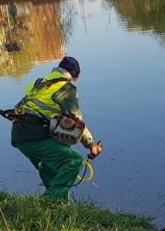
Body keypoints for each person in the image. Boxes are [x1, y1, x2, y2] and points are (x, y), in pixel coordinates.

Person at [11, 56, 103, 201]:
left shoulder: (38, 83)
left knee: (51, 172)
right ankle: (46, 203)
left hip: (19, 136)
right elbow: (76, 123)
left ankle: (56, 210)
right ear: (76, 76)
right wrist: (91, 145)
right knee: (73, 161)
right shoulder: (67, 88)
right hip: (36, 136)